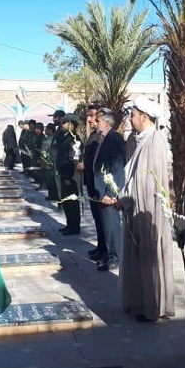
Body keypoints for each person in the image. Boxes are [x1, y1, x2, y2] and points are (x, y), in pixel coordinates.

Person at [113, 98, 176, 321]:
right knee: (138, 258)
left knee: (149, 258)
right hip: (135, 207)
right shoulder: (139, 140)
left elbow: (148, 182)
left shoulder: (154, 141)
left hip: (147, 210)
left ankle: (153, 307)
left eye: (133, 115)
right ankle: (139, 303)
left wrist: (125, 199)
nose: (130, 119)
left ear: (144, 116)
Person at [93, 108, 126, 272]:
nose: (95, 123)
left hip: (108, 193)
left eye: (98, 121)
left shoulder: (114, 138)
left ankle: (116, 258)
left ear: (106, 122)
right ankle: (108, 254)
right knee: (106, 226)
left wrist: (111, 193)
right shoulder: (104, 138)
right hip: (101, 191)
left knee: (112, 226)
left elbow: (118, 168)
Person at [81, 105, 107, 261]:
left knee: (103, 220)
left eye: (92, 116)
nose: (89, 119)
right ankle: (101, 246)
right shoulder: (93, 135)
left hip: (99, 185)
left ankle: (106, 250)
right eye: (88, 116)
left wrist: (85, 165)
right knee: (97, 218)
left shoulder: (103, 137)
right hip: (91, 183)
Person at [56, 113, 82, 235]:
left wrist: (68, 176)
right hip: (64, 173)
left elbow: (72, 159)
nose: (62, 124)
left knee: (72, 202)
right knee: (66, 201)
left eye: (65, 122)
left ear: (71, 124)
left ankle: (74, 227)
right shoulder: (65, 137)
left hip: (70, 175)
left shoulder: (74, 139)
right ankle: (69, 224)